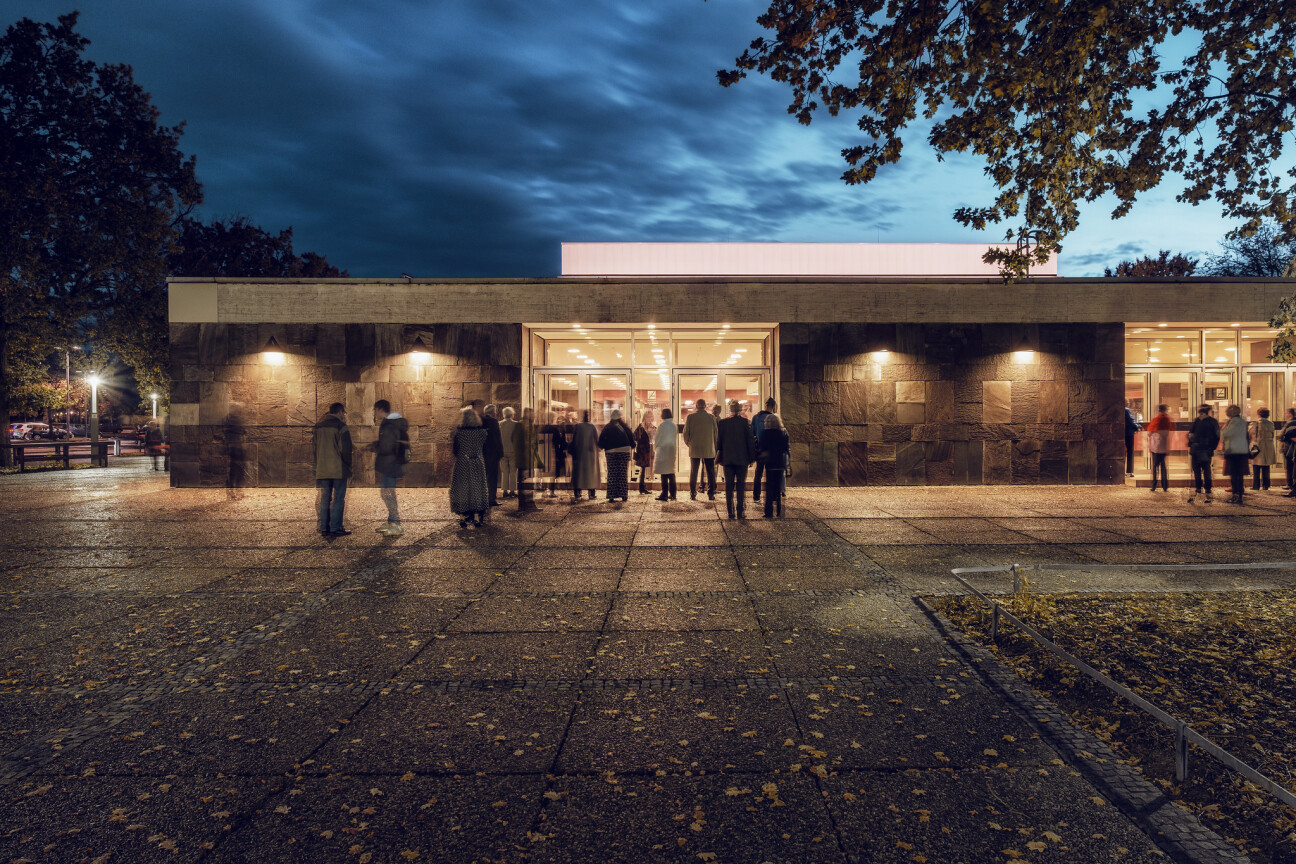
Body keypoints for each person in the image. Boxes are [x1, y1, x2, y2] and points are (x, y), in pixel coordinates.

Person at [313, 402, 353, 536]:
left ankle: (324, 527)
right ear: (340, 412)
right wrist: (348, 465)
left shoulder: (318, 427)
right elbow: (346, 450)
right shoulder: (341, 427)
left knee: (325, 497)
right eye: (344, 413)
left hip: (323, 468)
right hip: (338, 469)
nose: (344, 416)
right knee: (338, 498)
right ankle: (335, 527)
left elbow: (315, 449)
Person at [372, 399, 408, 535]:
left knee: (388, 494)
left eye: (375, 410)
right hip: (390, 464)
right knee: (387, 493)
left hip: (390, 464)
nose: (375, 413)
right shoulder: (391, 423)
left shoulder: (389, 425)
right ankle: (391, 520)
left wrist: (375, 446)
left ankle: (396, 523)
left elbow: (387, 446)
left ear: (380, 409)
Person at [716, 400, 757, 520]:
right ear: (739, 410)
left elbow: (719, 443)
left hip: (728, 460)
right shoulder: (745, 423)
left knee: (728, 486)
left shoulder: (723, 423)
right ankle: (740, 511)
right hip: (742, 459)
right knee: (740, 485)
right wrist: (751, 458)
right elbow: (750, 442)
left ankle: (730, 512)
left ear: (730, 409)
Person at [450, 406, 490, 527]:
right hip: (477, 462)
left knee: (462, 488)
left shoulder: (459, 433)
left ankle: (462, 517)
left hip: (462, 463)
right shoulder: (482, 433)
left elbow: (455, 451)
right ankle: (477, 518)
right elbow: (486, 448)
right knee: (477, 488)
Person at [683, 398, 718, 500]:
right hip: (708, 448)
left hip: (695, 448)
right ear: (705, 406)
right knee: (710, 471)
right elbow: (716, 434)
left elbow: (685, 434)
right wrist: (713, 446)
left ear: (696, 406)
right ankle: (711, 493)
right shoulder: (711, 418)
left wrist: (690, 444)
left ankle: (693, 493)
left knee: (694, 471)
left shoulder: (690, 417)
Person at [599, 408, 636, 502]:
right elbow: (632, 441)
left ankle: (611, 495)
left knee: (612, 473)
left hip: (611, 452)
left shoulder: (607, 427)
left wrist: (603, 446)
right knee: (622, 474)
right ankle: (623, 495)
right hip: (624, 452)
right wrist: (632, 446)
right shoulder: (625, 427)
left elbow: (601, 442)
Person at [758, 413, 790, 518]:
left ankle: (769, 512)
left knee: (769, 487)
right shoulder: (782, 433)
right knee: (778, 487)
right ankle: (779, 510)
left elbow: (761, 447)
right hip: (780, 463)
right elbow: (786, 448)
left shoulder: (764, 433)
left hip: (770, 463)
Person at [1186, 404, 1219, 504]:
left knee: (1197, 470)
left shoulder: (1197, 421)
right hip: (1207, 449)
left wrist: (1191, 443)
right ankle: (1208, 489)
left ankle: (1198, 488)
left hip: (1196, 449)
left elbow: (1191, 434)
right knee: (1207, 469)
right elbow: (1217, 436)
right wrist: (1212, 447)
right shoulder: (1213, 422)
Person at [476, 401, 504, 507]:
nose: (496, 413)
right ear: (493, 412)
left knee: (481, 476)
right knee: (492, 477)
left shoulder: (480, 421)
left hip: (482, 453)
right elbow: (497, 438)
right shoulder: (493, 422)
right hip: (492, 453)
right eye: (496, 411)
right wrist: (500, 452)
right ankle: (491, 499)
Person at [569, 410, 600, 501]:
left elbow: (573, 440)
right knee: (590, 474)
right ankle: (591, 493)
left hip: (579, 454)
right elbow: (597, 440)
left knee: (578, 473)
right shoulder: (592, 427)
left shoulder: (577, 427)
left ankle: (577, 492)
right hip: (590, 454)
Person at [1222, 404, 1250, 504]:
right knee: (1239, 474)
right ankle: (1239, 495)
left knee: (1234, 474)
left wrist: (1224, 427)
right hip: (1242, 450)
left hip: (1234, 451)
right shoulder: (1242, 421)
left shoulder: (1233, 422)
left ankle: (1235, 495)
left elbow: (1226, 434)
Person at [751, 398, 776, 503]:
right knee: (771, 474)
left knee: (758, 474)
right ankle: (772, 496)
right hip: (771, 450)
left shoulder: (756, 417)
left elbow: (752, 434)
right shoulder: (774, 418)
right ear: (773, 406)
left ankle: (756, 496)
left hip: (760, 449)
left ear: (765, 405)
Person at [1144, 404, 1173, 492]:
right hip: (1164, 447)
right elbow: (1170, 432)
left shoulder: (1156, 420)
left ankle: (1154, 485)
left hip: (1156, 447)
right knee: (1163, 466)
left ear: (1159, 410)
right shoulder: (1167, 420)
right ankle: (1165, 486)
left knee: (1155, 467)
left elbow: (1149, 432)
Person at [1249, 407, 1278, 491]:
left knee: (1256, 467)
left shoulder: (1255, 423)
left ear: (1258, 414)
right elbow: (1272, 435)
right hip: (1269, 446)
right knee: (1266, 467)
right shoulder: (1271, 424)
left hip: (1258, 446)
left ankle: (1256, 486)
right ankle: (1266, 485)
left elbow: (1251, 434)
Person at [654, 407, 678, 501]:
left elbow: (657, 438)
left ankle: (664, 494)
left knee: (664, 474)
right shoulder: (674, 425)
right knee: (671, 473)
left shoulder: (662, 425)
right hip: (672, 450)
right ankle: (673, 493)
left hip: (663, 450)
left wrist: (656, 447)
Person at [633, 408, 656, 495]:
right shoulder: (640, 427)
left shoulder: (653, 427)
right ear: (644, 418)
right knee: (643, 469)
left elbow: (654, 437)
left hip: (649, 449)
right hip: (642, 451)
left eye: (651, 417)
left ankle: (643, 487)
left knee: (646, 468)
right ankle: (642, 487)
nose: (649, 419)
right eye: (647, 417)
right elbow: (635, 437)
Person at [499, 407, 519, 498]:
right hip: (513, 450)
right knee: (513, 471)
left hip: (502, 450)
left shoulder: (499, 424)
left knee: (504, 471)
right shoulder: (516, 424)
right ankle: (512, 490)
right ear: (512, 414)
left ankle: (504, 491)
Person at [1281, 408, 1296, 497]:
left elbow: (1284, 436)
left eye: (1286, 413)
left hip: (1290, 448)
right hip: (1292, 448)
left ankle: (1293, 488)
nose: (1285, 414)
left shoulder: (1290, 423)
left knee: (1291, 468)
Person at [1124, 404, 1142, 477]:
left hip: (1122, 433)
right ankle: (1129, 471)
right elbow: (1131, 420)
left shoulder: (1118, 409)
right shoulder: (1126, 410)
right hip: (1129, 433)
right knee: (1130, 452)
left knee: (1122, 452)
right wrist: (1138, 427)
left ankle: (1122, 471)